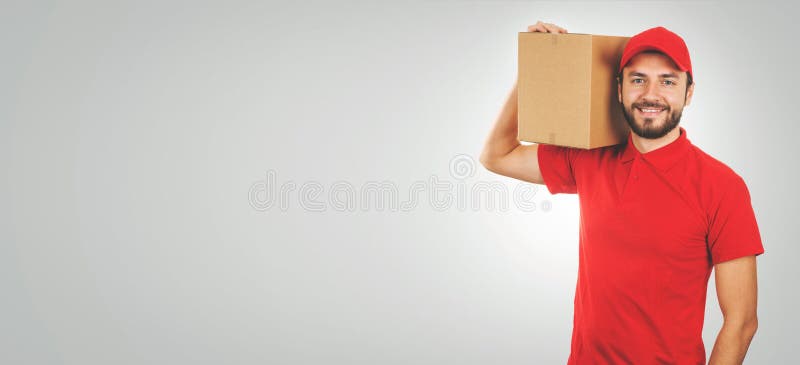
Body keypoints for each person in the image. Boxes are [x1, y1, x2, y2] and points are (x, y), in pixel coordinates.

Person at [480, 21, 765, 364]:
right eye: (638, 80)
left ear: (689, 93)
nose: (651, 94)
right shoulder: (589, 158)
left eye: (668, 81)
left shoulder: (722, 187)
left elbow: (741, 322)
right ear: (619, 89)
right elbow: (497, 156)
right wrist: (535, 67)